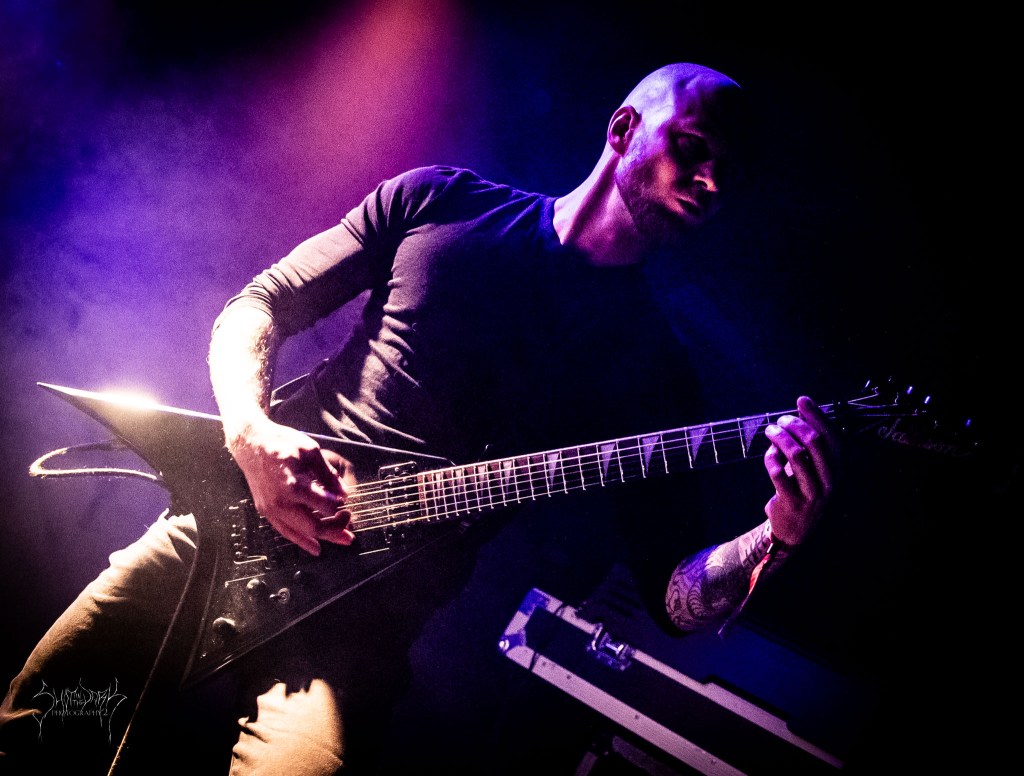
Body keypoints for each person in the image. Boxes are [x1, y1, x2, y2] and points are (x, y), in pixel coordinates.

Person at [0, 62, 838, 775]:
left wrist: (776, 537)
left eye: (728, 171)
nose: (711, 181)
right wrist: (251, 433)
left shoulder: (655, 369)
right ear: (624, 130)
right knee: (43, 727)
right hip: (223, 532)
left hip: (359, 635)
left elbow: (674, 599)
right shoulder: (442, 202)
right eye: (692, 148)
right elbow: (260, 305)